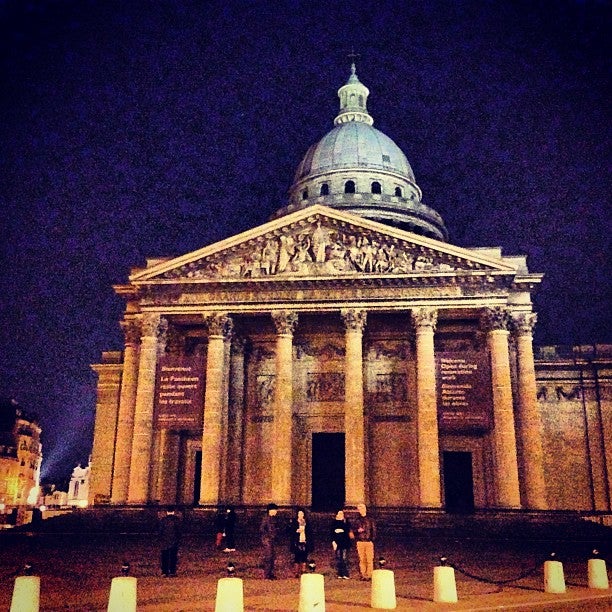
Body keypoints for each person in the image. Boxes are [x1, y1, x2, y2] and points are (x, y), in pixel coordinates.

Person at [353, 503, 377, 580]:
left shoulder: (370, 519)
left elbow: (373, 530)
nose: (360, 510)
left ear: (365, 509)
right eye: (359, 509)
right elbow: (353, 531)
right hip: (360, 541)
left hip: (368, 541)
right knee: (362, 559)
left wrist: (372, 539)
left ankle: (369, 575)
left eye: (361, 508)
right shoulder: (357, 520)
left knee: (369, 559)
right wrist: (357, 531)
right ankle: (363, 574)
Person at [289, 508, 313, 577]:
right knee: (297, 557)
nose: (300, 515)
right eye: (299, 514)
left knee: (304, 556)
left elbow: (310, 532)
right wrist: (295, 531)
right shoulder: (294, 522)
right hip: (297, 541)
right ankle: (296, 572)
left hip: (304, 540)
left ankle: (303, 570)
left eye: (302, 514)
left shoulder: (306, 522)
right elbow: (289, 531)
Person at [159, 507, 181, 577]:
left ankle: (164, 572)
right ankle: (172, 571)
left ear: (167, 512)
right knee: (173, 557)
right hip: (174, 541)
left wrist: (161, 539)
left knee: (164, 557)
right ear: (173, 512)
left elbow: (160, 531)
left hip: (165, 541)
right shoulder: (177, 520)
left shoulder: (163, 520)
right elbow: (179, 532)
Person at [331, 509, 352, 579]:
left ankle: (345, 573)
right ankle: (340, 573)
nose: (341, 515)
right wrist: (333, 541)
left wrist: (340, 530)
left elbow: (347, 531)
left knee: (344, 558)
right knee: (339, 558)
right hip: (337, 543)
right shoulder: (334, 523)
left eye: (342, 514)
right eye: (339, 514)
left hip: (345, 543)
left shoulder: (346, 522)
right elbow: (332, 533)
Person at [260, 503, 279, 579]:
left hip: (271, 539)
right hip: (267, 540)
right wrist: (268, 535)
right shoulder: (266, 518)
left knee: (272, 557)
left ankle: (270, 573)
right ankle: (267, 574)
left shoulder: (272, 518)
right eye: (275, 510)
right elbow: (261, 528)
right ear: (271, 510)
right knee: (269, 557)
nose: (276, 512)